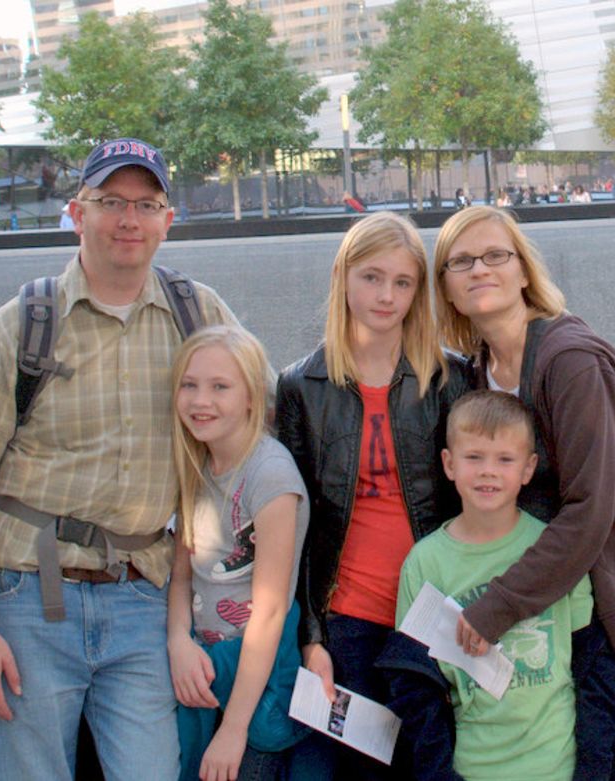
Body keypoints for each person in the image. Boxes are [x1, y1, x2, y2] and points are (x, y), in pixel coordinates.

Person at [0, 137, 241, 781]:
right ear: (78, 213)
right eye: (110, 202)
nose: (128, 220)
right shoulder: (22, 324)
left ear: (167, 220)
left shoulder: (199, 315)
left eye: (146, 204)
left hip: (144, 599)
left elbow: (254, 430)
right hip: (25, 598)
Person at [434, 206, 615, 779]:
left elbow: (592, 511)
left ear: (522, 271)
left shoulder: (572, 362)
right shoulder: (478, 371)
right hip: (535, 628)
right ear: (446, 287)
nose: (479, 269)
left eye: (495, 255)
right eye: (461, 261)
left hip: (604, 631)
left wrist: (497, 606)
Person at [276, 211, 469, 779]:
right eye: (372, 277)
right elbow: (294, 534)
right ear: (343, 277)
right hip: (349, 622)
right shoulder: (300, 387)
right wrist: (311, 637)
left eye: (403, 282)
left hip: (434, 616)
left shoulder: (448, 380)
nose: (386, 295)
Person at [397, 390, 592, 780]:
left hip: (558, 766)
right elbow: (417, 687)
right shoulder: (425, 564)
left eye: (505, 459)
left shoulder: (555, 550)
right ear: (449, 464)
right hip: (474, 768)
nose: (488, 471)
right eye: (474, 458)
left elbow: (590, 664)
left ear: (528, 468)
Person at [168, 325, 310, 781]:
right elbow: (183, 575)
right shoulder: (194, 462)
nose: (200, 400)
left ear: (251, 396)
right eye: (189, 385)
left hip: (256, 681)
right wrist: (178, 642)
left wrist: (233, 729)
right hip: (203, 666)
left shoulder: (270, 475)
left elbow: (270, 610)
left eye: (219, 387)